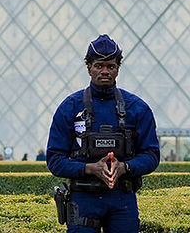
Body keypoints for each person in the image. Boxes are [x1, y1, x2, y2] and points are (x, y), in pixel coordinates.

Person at [47, 34, 160, 232]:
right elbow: (54, 160)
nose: (105, 71)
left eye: (111, 66)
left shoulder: (137, 108)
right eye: (99, 66)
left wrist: (124, 167)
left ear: (118, 68)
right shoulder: (70, 108)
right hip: (83, 199)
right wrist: (90, 168)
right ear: (89, 67)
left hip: (122, 200)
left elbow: (152, 155)